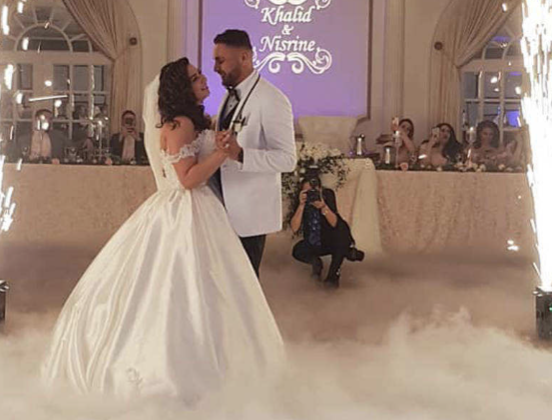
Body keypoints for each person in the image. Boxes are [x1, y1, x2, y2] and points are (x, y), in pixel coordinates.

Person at [42, 57, 284, 400]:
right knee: (182, 287)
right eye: (196, 77)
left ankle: (220, 362)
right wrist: (222, 154)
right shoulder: (179, 124)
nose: (204, 79)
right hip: (183, 210)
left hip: (201, 208)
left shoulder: (191, 120)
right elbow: (186, 180)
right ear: (182, 88)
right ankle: (183, 369)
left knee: (211, 288)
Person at [211, 28, 297, 277]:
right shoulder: (227, 96)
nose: (215, 68)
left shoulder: (272, 99)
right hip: (221, 210)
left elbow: (287, 160)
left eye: (220, 60)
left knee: (245, 286)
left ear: (245, 57)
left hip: (249, 214)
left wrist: (241, 155)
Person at [289, 177, 364, 288]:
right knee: (298, 250)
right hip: (314, 241)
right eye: (307, 192)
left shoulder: (327, 195)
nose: (311, 195)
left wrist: (323, 207)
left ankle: (332, 278)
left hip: (333, 239)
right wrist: (301, 205)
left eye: (313, 191)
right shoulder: (301, 200)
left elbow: (335, 223)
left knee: (341, 239)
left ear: (320, 189)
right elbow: (294, 228)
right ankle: (317, 266)